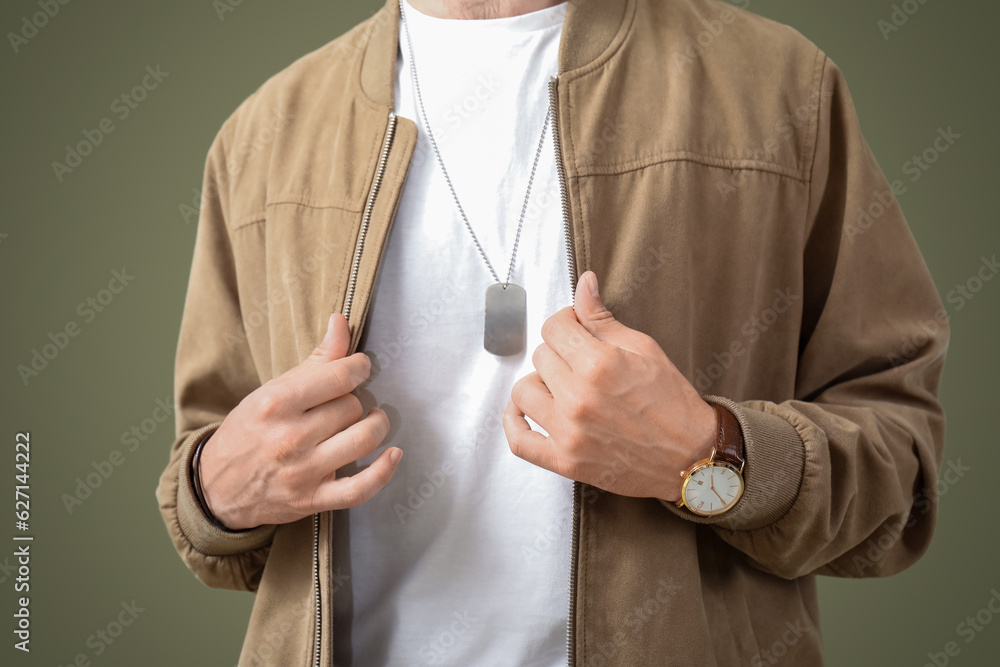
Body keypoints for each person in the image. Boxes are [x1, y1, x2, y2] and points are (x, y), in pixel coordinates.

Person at [155, 0, 949, 664]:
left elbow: (902, 481)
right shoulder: (261, 137)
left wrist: (706, 455)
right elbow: (210, 487)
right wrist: (216, 494)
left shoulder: (780, 89)